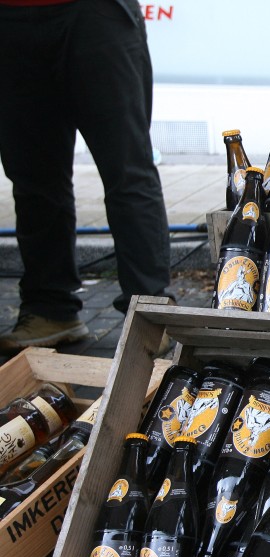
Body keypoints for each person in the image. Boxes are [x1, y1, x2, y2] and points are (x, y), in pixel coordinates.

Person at [0, 0, 172, 352]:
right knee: (33, 180)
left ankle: (151, 312)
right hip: (10, 18)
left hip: (94, 12)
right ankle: (50, 310)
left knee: (128, 172)